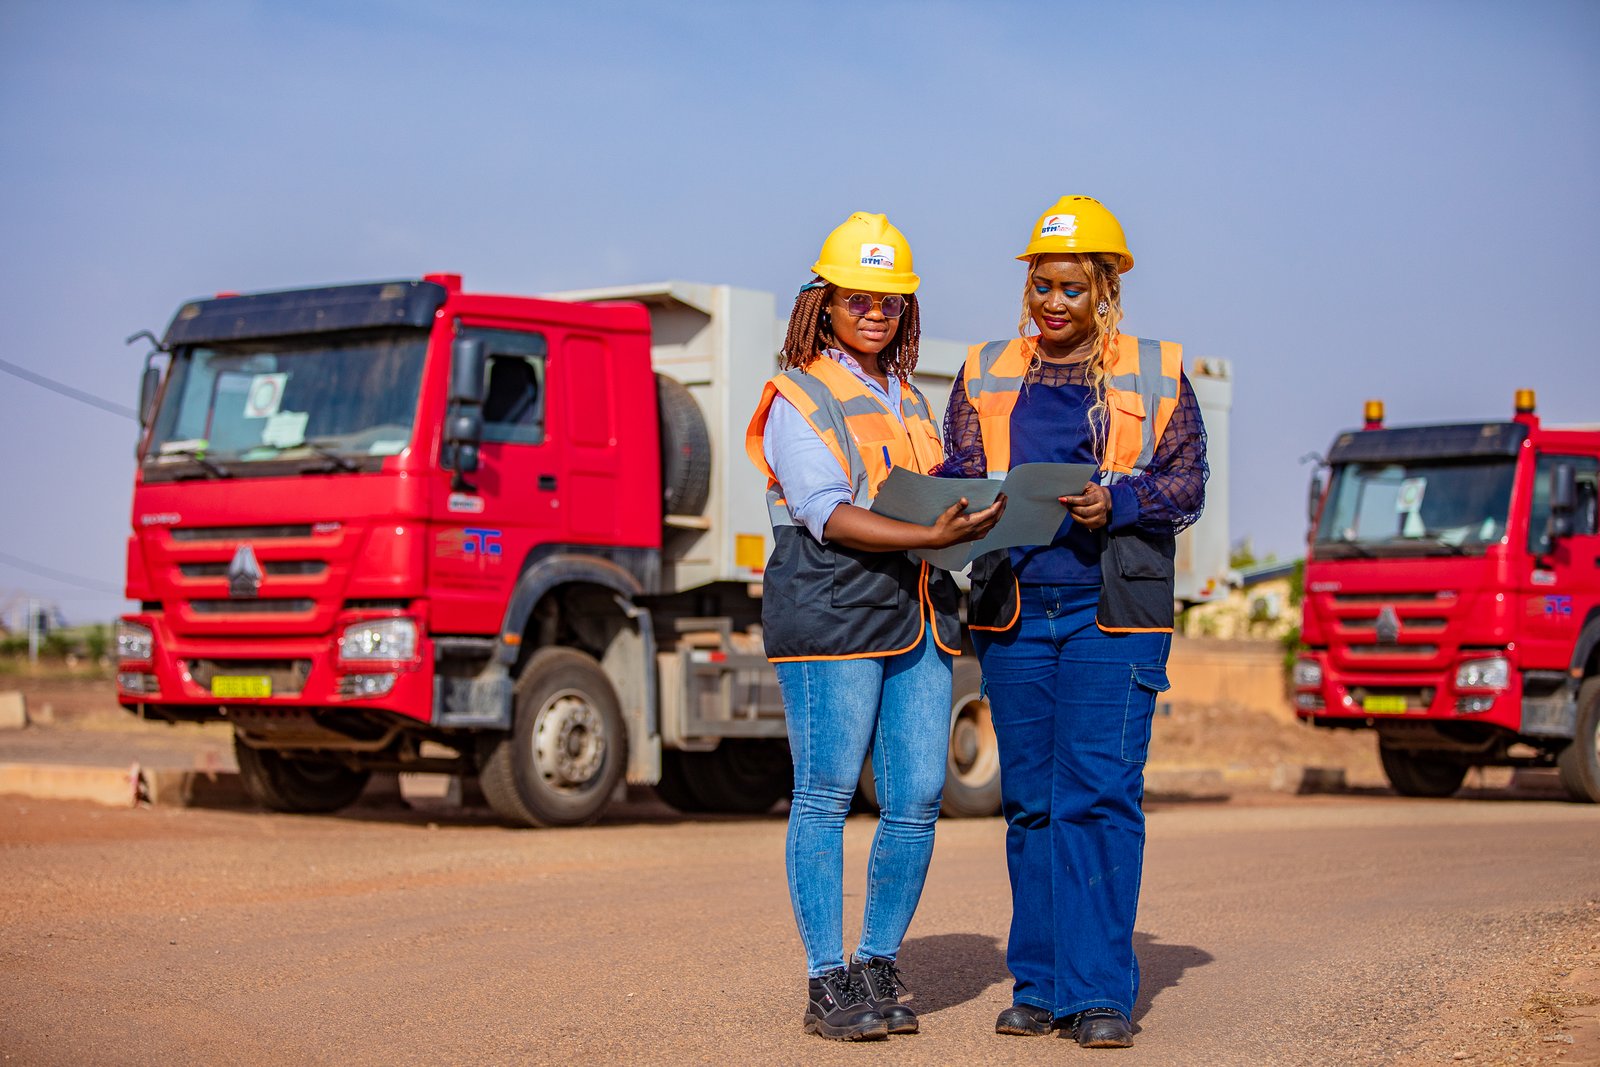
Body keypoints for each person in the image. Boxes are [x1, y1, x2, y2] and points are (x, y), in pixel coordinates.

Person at [936, 196, 1207, 1048]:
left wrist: (1115, 499)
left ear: (1104, 290)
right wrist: (953, 500)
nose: (1052, 303)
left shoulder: (1156, 369)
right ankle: (1042, 984)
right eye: (1041, 287)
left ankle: (1098, 995)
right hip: (1015, 610)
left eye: (1070, 289)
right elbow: (961, 465)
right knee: (1031, 803)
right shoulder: (985, 368)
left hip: (1109, 613)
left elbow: (1186, 483)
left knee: (1099, 795)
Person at [745, 211, 1005, 1042]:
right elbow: (825, 511)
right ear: (824, 303)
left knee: (918, 798)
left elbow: (936, 502)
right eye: (860, 297)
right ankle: (827, 978)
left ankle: (878, 959)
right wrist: (930, 536)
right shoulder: (799, 394)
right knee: (823, 795)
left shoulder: (912, 398)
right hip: (833, 613)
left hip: (920, 614)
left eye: (891, 301)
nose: (876, 312)